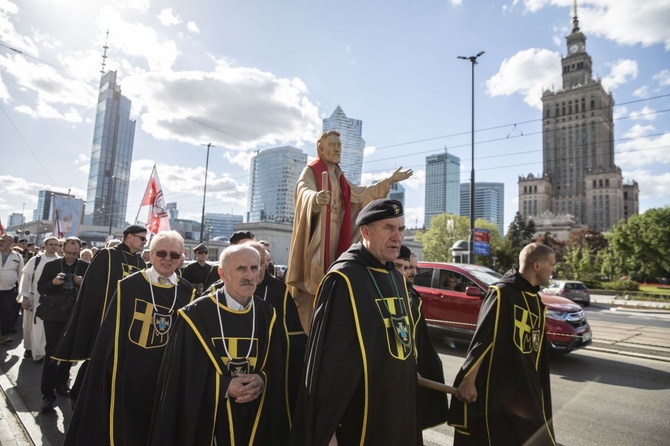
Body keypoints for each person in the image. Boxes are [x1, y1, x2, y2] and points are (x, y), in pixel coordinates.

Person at [290, 199, 423, 446]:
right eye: (388, 228)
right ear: (365, 231)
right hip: (360, 418)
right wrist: (326, 430)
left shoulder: (395, 277)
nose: (397, 237)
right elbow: (327, 364)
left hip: (397, 413)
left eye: (401, 229)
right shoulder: (343, 279)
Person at [147, 244, 289, 445]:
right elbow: (181, 375)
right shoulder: (194, 315)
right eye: (241, 269)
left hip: (256, 415)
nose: (249, 275)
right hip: (209, 422)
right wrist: (223, 386)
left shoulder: (268, 315)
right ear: (222, 274)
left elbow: (279, 366)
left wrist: (261, 379)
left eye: (254, 268)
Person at [63, 231, 195, 445]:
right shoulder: (128, 286)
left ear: (182, 258)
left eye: (174, 255)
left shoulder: (187, 294)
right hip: (126, 374)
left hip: (163, 378)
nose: (167, 259)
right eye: (161, 253)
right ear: (150, 255)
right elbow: (109, 337)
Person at [286, 131, 413, 332]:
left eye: (339, 145)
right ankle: (317, 326)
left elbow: (361, 195)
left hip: (337, 231)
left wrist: (389, 180)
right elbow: (303, 190)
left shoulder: (340, 176)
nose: (337, 148)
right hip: (319, 234)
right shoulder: (311, 171)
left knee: (336, 275)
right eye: (332, 144)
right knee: (317, 279)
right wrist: (315, 199)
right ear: (320, 149)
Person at [448, 243, 557, 446]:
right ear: (536, 266)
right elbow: (483, 340)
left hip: (527, 384)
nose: (553, 270)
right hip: (501, 386)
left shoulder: (536, 301)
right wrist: (469, 381)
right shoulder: (502, 294)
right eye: (551, 265)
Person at [53, 224, 147, 406]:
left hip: (127, 322)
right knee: (94, 361)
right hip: (103, 319)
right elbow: (92, 288)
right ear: (129, 237)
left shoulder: (140, 263)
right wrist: (95, 318)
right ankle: (77, 396)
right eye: (142, 238)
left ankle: (101, 400)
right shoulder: (107, 255)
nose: (145, 242)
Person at [247, 241, 306, 422]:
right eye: (247, 265)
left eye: (260, 264)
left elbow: (294, 337)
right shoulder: (222, 289)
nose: (254, 272)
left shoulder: (280, 291)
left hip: (269, 371)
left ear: (267, 263)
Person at [398, 246, 449, 431]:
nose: (412, 272)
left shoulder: (412, 295)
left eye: (413, 268)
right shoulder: (396, 294)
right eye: (407, 267)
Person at [36, 237, 88, 411]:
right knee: (51, 354)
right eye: (68, 252)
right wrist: (53, 282)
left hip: (75, 316)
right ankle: (47, 395)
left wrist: (83, 284)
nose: (71, 256)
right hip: (53, 315)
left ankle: (61, 383)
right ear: (62, 249)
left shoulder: (85, 267)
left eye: (75, 253)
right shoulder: (51, 266)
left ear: (79, 251)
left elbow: (94, 292)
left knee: (68, 353)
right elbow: (41, 288)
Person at [19, 236, 60, 361]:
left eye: (56, 244)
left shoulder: (60, 261)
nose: (54, 247)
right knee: (29, 326)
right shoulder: (35, 260)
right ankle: (29, 348)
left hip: (51, 300)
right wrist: (24, 297)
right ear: (45, 245)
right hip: (33, 297)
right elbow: (25, 279)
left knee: (43, 327)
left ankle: (41, 353)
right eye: (51, 244)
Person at [0, 234, 24, 344]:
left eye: (10, 240)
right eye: (5, 240)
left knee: (7, 311)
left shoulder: (17, 256)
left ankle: (4, 335)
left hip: (8, 289)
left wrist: (22, 289)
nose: (7, 242)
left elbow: (21, 273)